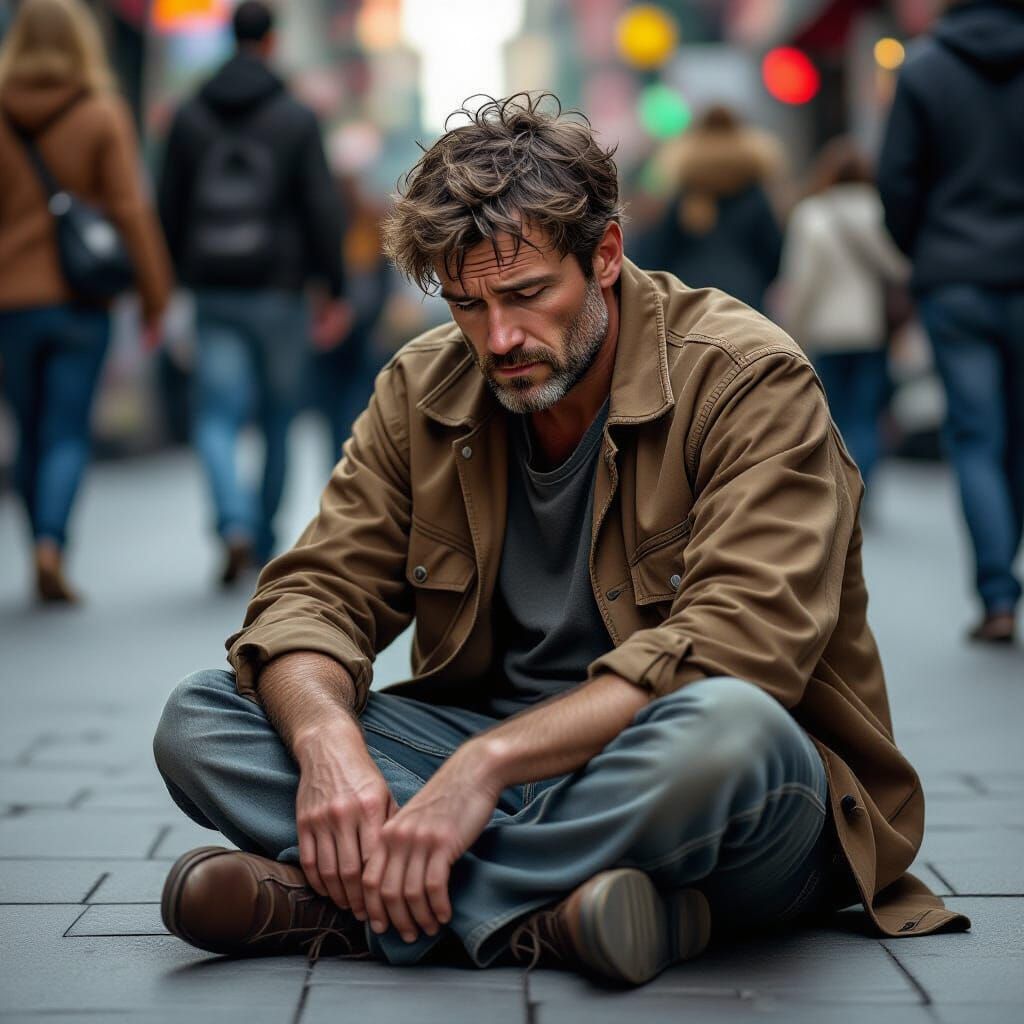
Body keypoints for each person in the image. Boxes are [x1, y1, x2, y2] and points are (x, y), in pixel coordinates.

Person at [153, 95, 968, 986]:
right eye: (467, 305)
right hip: (524, 778)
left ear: (606, 255)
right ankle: (564, 916)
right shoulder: (424, 386)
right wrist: (326, 749)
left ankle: (339, 909)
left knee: (733, 728)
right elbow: (314, 595)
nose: (499, 338)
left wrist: (486, 768)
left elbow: (740, 652)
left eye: (528, 294)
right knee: (205, 717)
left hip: (719, 781)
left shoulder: (748, 380)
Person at [158, 0, 346, 583]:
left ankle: (231, 521)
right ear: (271, 43)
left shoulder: (189, 115)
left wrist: (171, 281)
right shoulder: (295, 116)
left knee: (214, 414)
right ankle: (261, 533)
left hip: (213, 289)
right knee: (278, 416)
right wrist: (332, 285)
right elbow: (320, 205)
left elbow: (168, 205)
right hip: (280, 290)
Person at [0, 0, 172, 603]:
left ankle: (37, 543)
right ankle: (52, 543)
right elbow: (130, 210)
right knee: (68, 429)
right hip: (80, 302)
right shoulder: (100, 111)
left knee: (29, 428)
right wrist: (156, 298)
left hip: (9, 304)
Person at [878, 0, 1024, 644]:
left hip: (956, 277)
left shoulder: (926, 68)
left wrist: (925, 248)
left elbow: (896, 180)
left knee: (975, 436)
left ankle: (997, 593)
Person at [780, 137, 907, 488]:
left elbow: (802, 281)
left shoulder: (811, 214)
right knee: (866, 415)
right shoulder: (879, 212)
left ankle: (839, 487)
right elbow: (899, 268)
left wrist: (792, 329)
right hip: (871, 330)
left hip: (827, 331)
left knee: (830, 414)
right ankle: (863, 484)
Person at [637, 105, 783, 314]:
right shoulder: (753, 193)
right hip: (746, 297)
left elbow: (656, 251)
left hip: (691, 298)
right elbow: (774, 253)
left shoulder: (684, 192)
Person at [311, 173, 393, 462]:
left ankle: (344, 469)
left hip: (340, 336)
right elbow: (380, 289)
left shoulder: (341, 231)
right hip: (357, 335)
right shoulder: (369, 229)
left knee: (339, 415)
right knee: (356, 410)